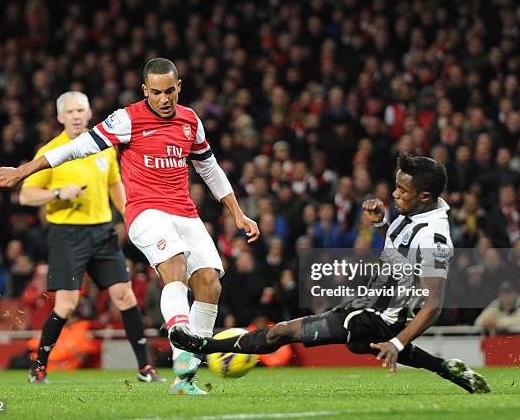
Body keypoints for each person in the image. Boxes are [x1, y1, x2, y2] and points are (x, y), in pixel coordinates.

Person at [0, 59, 259, 395]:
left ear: (179, 87)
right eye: (156, 92)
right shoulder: (127, 119)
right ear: (145, 91)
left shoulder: (190, 121)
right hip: (145, 212)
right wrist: (23, 171)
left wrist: (238, 214)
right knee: (174, 265)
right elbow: (75, 148)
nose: (163, 98)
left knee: (209, 284)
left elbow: (210, 168)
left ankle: (185, 377)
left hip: (184, 212)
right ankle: (180, 341)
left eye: (169, 91)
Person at [172, 155, 491, 394]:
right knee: (358, 343)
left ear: (424, 196)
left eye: (402, 190)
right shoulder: (415, 213)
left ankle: (201, 346)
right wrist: (381, 225)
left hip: (385, 318)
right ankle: (446, 368)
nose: (394, 194)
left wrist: (396, 341)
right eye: (396, 186)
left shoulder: (434, 238)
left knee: (283, 333)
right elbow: (398, 251)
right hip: (369, 302)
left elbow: (433, 305)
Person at [18, 91, 164, 384]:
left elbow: (115, 185)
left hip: (102, 233)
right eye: (69, 112)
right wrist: (58, 193)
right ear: (60, 117)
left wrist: (131, 219)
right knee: (66, 305)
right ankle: (39, 367)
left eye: (80, 110)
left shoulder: (103, 147)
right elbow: (25, 195)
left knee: (125, 296)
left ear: (88, 114)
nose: (75, 116)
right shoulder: (52, 151)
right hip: (67, 234)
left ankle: (144, 369)